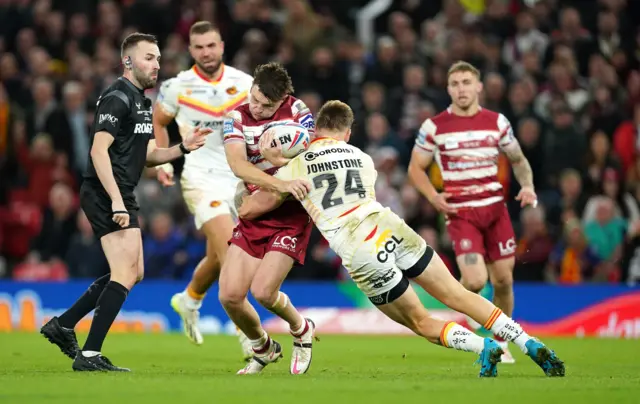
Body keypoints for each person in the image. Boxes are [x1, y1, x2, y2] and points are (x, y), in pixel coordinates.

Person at [238, 100, 565, 378]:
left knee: (421, 321)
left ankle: (483, 346)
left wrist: (274, 165)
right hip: (390, 227)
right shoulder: (363, 159)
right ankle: (525, 341)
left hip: (359, 247)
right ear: (348, 132)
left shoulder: (296, 165)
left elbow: (251, 210)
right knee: (456, 293)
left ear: (316, 130)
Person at [40, 33, 210, 372]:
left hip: (122, 191)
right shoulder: (117, 97)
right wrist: (117, 201)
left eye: (158, 58)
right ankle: (88, 355)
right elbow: (97, 151)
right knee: (124, 272)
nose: (157, 64)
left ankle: (64, 324)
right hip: (107, 192)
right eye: (149, 57)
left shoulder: (142, 101)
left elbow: (148, 155)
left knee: (135, 272)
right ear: (129, 61)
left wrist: (183, 147)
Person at [407, 61, 537, 364]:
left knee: (504, 280)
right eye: (454, 84)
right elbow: (416, 168)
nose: (461, 89)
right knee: (476, 280)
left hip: (495, 211)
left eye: (466, 82)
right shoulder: (435, 126)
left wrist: (528, 185)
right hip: (461, 212)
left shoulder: (497, 122)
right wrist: (434, 197)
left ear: (479, 86)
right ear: (448, 88)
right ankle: (465, 300)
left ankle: (501, 341)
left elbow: (517, 158)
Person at [153, 21, 253, 357]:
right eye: (199, 47)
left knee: (215, 255)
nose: (206, 53)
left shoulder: (244, 83)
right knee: (230, 248)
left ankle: (189, 299)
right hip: (200, 177)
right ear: (190, 50)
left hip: (238, 178)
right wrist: (165, 161)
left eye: (211, 45)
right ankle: (250, 336)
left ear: (222, 45)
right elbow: (159, 122)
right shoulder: (177, 86)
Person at [220, 62, 316, 375]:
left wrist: (283, 187)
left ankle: (301, 328)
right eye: (255, 100)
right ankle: (263, 346)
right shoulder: (236, 116)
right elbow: (238, 165)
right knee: (230, 296)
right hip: (258, 208)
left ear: (284, 99)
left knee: (263, 292)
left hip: (290, 212)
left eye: (267, 105)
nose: (258, 109)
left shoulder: (299, 111)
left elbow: (311, 158)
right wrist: (279, 183)